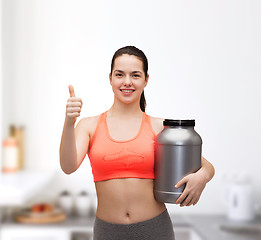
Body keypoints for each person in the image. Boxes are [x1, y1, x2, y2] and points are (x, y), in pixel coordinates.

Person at [60, 46, 215, 240]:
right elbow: (68, 166)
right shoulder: (89, 125)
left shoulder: (159, 128)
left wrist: (203, 177)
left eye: (135, 75)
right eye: (119, 74)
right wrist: (69, 122)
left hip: (155, 230)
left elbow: (204, 165)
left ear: (146, 80)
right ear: (110, 78)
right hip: (108, 232)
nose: (127, 82)